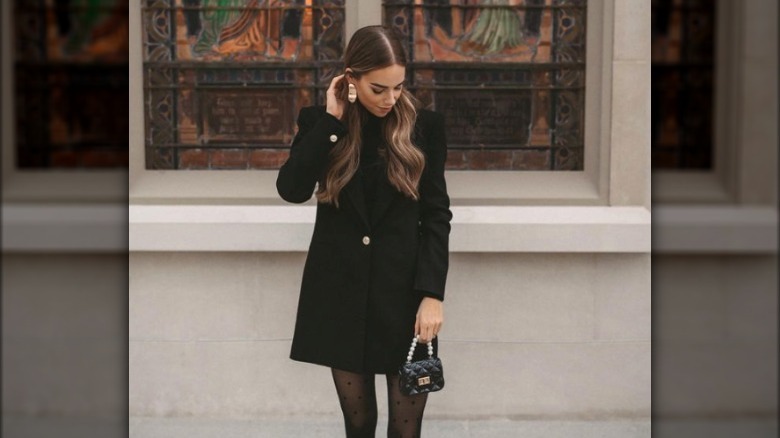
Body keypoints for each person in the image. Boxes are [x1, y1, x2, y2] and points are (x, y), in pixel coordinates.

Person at [276, 25, 453, 438]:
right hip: (342, 294)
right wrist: (332, 120)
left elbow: (437, 216)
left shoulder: (424, 127)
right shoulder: (321, 124)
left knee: (405, 429)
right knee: (358, 424)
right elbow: (291, 190)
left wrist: (432, 294)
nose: (391, 99)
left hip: (404, 296)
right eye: (379, 89)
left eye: (398, 87)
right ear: (350, 77)